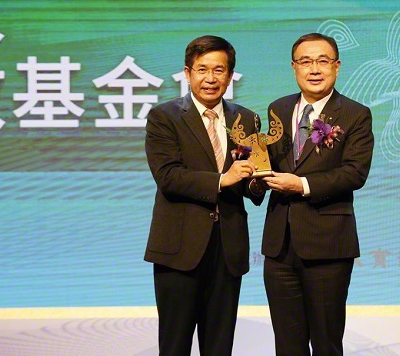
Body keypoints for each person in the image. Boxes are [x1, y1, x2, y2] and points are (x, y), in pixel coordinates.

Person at [144, 35, 265, 355]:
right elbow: (168, 177)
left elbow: (249, 181)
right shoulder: (164, 117)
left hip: (228, 249)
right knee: (174, 344)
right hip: (179, 248)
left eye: (219, 70)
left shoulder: (246, 119)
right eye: (202, 69)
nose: (210, 78)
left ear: (230, 75)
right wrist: (223, 180)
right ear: (187, 73)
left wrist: (259, 181)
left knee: (219, 346)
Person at [261, 33, 374, 355]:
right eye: (305, 62)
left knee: (326, 341)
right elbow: (269, 162)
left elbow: (354, 172)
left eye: (322, 61)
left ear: (336, 67)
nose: (314, 69)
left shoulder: (354, 114)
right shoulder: (278, 109)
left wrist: (303, 186)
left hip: (328, 245)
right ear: (294, 68)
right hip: (279, 245)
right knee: (287, 343)